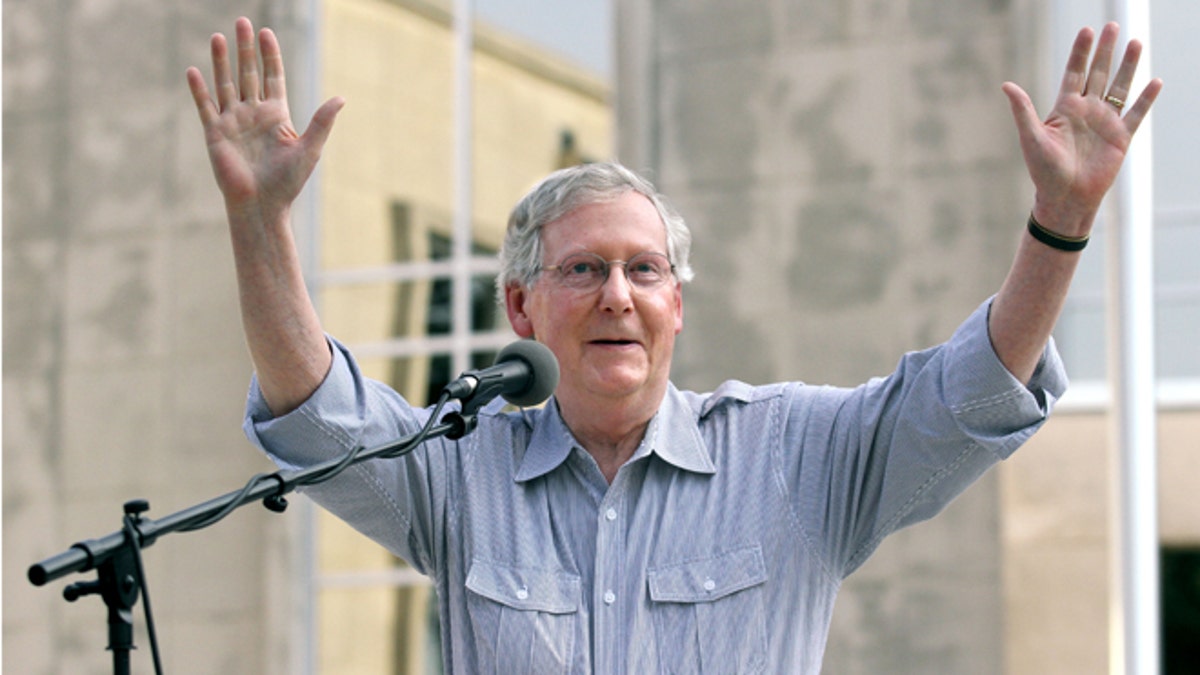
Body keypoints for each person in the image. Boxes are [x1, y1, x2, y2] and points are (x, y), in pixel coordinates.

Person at [186, 17, 1160, 673]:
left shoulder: (796, 456)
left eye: (644, 271)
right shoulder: (454, 472)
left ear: (677, 307)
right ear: (522, 311)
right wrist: (258, 221)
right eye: (583, 271)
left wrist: (1059, 222)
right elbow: (318, 413)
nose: (618, 295)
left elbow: (972, 396)